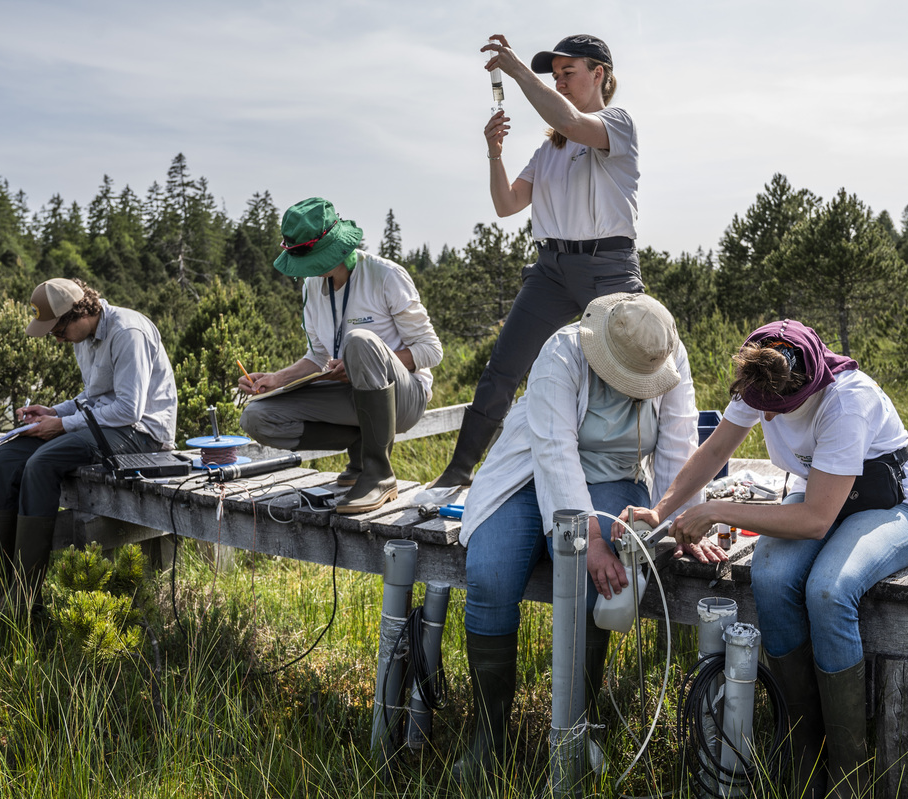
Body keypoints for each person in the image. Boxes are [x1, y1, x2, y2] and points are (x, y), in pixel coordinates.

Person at [618, 320, 908, 797]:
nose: (766, 421)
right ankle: (803, 752)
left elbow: (814, 522)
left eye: (778, 412)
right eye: (759, 410)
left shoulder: (847, 400)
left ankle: (847, 776)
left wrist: (716, 509)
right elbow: (713, 452)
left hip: (890, 504)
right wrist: (662, 509)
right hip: (821, 497)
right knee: (768, 576)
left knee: (829, 590)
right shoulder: (762, 375)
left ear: (804, 388)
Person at [456, 293, 726, 781]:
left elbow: (678, 447)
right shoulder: (562, 352)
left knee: (595, 584)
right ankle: (488, 736)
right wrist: (591, 540)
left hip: (613, 478)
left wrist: (682, 524)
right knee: (490, 574)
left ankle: (579, 728)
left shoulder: (666, 353)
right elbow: (555, 451)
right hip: (531, 471)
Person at [430, 33, 644, 493]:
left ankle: (632, 473)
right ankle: (459, 471)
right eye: (556, 75)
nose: (560, 82)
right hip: (550, 271)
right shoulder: (550, 150)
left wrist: (516, 70)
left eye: (568, 73)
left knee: (626, 372)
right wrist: (493, 153)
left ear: (599, 74)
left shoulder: (617, 124)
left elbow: (566, 116)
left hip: (607, 266)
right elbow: (507, 204)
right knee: (502, 369)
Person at [0, 278, 178, 613]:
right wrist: (54, 412)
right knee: (0, 462)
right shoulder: (82, 337)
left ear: (78, 313)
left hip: (143, 435)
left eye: (56, 331)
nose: (55, 339)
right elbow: (94, 398)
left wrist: (62, 425)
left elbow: (129, 410)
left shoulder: (128, 333)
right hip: (104, 426)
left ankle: (23, 601)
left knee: (42, 464)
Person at [239, 197, 442, 514]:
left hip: (405, 398)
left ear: (332, 249)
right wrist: (276, 379)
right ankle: (360, 448)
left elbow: (431, 351)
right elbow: (317, 357)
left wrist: (367, 360)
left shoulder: (385, 276)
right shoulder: (311, 287)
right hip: (353, 396)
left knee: (360, 342)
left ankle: (379, 475)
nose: (307, 272)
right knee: (257, 417)